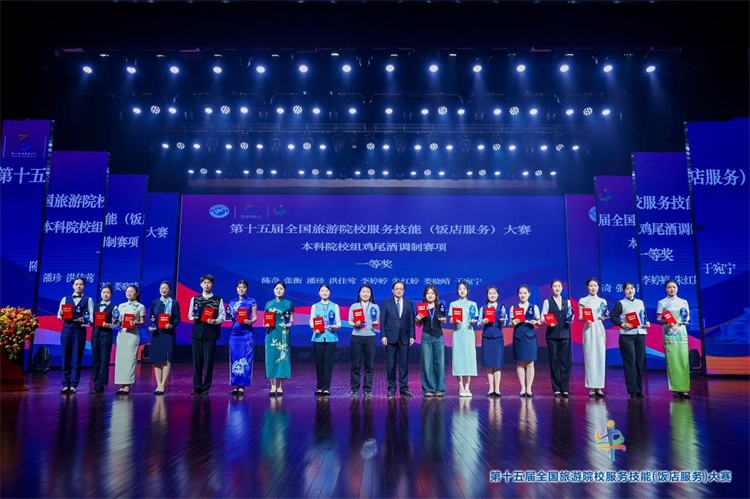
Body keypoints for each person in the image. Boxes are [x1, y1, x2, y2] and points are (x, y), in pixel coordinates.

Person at [187, 274, 226, 396]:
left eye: (209, 283)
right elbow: (189, 315)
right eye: (204, 283)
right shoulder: (195, 299)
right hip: (197, 332)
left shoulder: (218, 299)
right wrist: (193, 317)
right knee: (197, 361)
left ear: (212, 285)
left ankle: (206, 387)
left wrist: (215, 320)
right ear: (201, 284)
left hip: (211, 333)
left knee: (209, 361)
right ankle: (197, 386)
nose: (207, 285)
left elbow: (223, 315)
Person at [610, 281, 649, 399]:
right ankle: (632, 390)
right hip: (627, 336)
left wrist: (647, 323)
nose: (630, 290)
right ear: (623, 291)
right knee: (630, 363)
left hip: (640, 334)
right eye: (627, 289)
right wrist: (622, 324)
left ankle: (639, 390)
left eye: (632, 288)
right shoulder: (620, 303)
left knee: (639, 363)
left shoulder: (640, 302)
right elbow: (612, 316)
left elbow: (643, 316)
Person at [56, 277, 94, 394]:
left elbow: (91, 317)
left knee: (78, 356)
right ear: (73, 286)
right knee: (65, 356)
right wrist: (61, 314)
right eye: (76, 284)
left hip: (80, 330)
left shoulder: (88, 300)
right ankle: (65, 384)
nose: (78, 286)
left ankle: (73, 384)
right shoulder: (65, 299)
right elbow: (59, 316)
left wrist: (85, 320)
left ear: (84, 286)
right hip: (67, 329)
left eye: (81, 284)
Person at [657, 280, 692, 399]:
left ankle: (684, 389)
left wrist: (686, 320)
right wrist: (667, 322)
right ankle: (675, 388)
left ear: (677, 288)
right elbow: (658, 318)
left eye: (674, 287)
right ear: (665, 289)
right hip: (669, 332)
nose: (672, 289)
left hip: (681, 331)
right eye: (669, 287)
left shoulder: (683, 301)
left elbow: (687, 316)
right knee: (672, 360)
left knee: (683, 359)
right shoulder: (662, 302)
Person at [380, 280, 415, 398]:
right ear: (392, 290)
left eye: (401, 289)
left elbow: (411, 320)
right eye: (397, 289)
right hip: (390, 337)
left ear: (404, 290)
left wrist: (412, 336)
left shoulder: (409, 303)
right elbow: (382, 321)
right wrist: (383, 335)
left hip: (404, 337)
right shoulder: (386, 303)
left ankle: (404, 388)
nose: (399, 291)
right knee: (391, 364)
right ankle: (391, 388)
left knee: (404, 364)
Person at [148, 281, 181, 395]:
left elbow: (177, 318)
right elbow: (152, 318)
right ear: (159, 290)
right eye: (162, 288)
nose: (163, 290)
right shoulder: (155, 303)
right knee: (157, 359)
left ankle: (163, 384)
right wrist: (151, 327)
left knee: (167, 359)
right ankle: (158, 384)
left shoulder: (174, 303)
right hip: (157, 333)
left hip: (168, 333)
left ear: (170, 290)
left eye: (166, 288)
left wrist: (171, 325)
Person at [541, 279, 573, 398]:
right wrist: (548, 322)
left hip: (565, 334)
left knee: (565, 361)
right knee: (554, 362)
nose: (557, 288)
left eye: (559, 286)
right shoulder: (547, 302)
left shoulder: (567, 302)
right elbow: (543, 316)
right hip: (552, 335)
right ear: (551, 288)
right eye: (555, 286)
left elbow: (570, 315)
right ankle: (556, 389)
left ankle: (565, 388)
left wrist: (571, 318)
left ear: (562, 288)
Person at [309, 284, 341, 396]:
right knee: (319, 364)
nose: (324, 293)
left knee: (328, 364)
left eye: (326, 291)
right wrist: (315, 327)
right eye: (322, 291)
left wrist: (335, 326)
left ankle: (326, 388)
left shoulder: (335, 306)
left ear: (329, 292)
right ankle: (319, 387)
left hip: (331, 338)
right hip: (318, 338)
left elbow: (338, 322)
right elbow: (311, 322)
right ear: (319, 293)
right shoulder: (315, 306)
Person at [348, 284, 380, 397]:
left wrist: (376, 323)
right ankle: (354, 389)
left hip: (370, 337)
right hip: (356, 336)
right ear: (359, 293)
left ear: (371, 294)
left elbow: (377, 321)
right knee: (355, 364)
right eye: (363, 292)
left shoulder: (375, 307)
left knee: (369, 364)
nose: (365, 294)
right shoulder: (354, 306)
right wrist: (354, 324)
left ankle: (368, 389)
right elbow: (350, 321)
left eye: (368, 292)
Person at [416, 285, 447, 398]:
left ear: (436, 295)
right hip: (426, 337)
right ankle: (428, 389)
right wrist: (417, 320)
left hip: (438, 337)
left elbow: (444, 321)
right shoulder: (421, 307)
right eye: (428, 293)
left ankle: (440, 389)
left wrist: (444, 321)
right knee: (426, 364)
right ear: (425, 295)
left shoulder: (440, 306)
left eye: (432, 293)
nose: (430, 295)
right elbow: (419, 324)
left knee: (440, 364)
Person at [114, 285, 146, 395]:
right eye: (127, 291)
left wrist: (135, 323)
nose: (129, 293)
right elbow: (118, 320)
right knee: (121, 360)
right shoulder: (121, 306)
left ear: (137, 293)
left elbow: (142, 322)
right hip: (122, 334)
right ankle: (121, 385)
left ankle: (127, 385)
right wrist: (116, 321)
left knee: (130, 360)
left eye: (132, 291)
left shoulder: (140, 306)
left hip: (132, 335)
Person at [579, 278, 608, 398]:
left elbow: (603, 317)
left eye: (595, 285)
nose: (593, 288)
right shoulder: (583, 300)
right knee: (590, 357)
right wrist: (586, 319)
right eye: (591, 286)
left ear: (598, 287)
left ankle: (599, 387)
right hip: (589, 329)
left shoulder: (603, 301)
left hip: (599, 329)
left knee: (600, 357)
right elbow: (580, 317)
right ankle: (591, 387)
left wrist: (604, 316)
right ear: (587, 287)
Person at [228, 279, 257, 396]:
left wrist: (250, 321)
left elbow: (255, 317)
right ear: (236, 288)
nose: (241, 289)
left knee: (245, 358)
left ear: (247, 289)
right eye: (239, 287)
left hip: (246, 334)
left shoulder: (252, 301)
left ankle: (242, 386)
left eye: (244, 287)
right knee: (234, 358)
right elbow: (230, 317)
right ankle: (236, 385)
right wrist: (229, 317)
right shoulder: (232, 302)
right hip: (235, 333)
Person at [449, 281, 478, 397]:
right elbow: (451, 322)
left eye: (464, 289)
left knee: (469, 359)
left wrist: (473, 321)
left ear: (467, 291)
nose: (462, 291)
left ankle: (467, 387)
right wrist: (454, 321)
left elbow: (474, 320)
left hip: (469, 334)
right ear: (457, 291)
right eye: (460, 289)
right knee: (458, 359)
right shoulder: (453, 304)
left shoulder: (473, 304)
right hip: (458, 334)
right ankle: (461, 387)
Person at [264, 281, 293, 396]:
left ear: (284, 290)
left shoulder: (289, 303)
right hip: (271, 333)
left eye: (281, 288)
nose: (279, 290)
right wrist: (266, 324)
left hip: (283, 333)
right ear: (273, 290)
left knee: (282, 359)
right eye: (277, 288)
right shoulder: (268, 304)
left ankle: (280, 386)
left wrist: (290, 324)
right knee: (271, 358)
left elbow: (291, 319)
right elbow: (265, 320)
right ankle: (272, 385)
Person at [512, 285, 541, 397]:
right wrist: (513, 323)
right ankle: (522, 388)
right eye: (520, 293)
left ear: (529, 294)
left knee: (530, 363)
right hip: (518, 337)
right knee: (520, 362)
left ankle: (529, 388)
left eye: (525, 293)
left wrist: (535, 322)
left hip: (530, 337)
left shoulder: (534, 307)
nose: (523, 295)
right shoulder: (514, 307)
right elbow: (510, 324)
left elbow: (539, 322)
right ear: (518, 295)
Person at [89, 284, 116, 394]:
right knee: (95, 359)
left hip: (106, 335)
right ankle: (95, 383)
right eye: (103, 292)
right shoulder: (95, 306)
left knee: (104, 359)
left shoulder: (114, 307)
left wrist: (108, 325)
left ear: (111, 294)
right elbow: (91, 320)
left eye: (108, 293)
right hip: (95, 335)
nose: (105, 294)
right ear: (101, 293)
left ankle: (101, 384)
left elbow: (116, 323)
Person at [479, 285, 505, 397]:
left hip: (498, 337)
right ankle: (490, 389)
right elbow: (479, 323)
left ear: (498, 295)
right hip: (487, 337)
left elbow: (504, 322)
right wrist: (483, 322)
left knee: (497, 364)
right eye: (490, 293)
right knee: (489, 364)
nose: (492, 295)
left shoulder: (501, 307)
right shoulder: (483, 308)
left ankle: (497, 389)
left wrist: (503, 321)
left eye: (494, 293)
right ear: (487, 295)